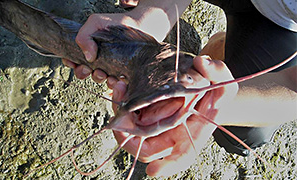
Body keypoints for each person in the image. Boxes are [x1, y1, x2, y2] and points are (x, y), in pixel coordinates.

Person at [62, 0, 297, 177]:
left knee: (244, 135)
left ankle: (220, 49)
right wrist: (149, 19)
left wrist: (216, 105)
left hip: (283, 28)